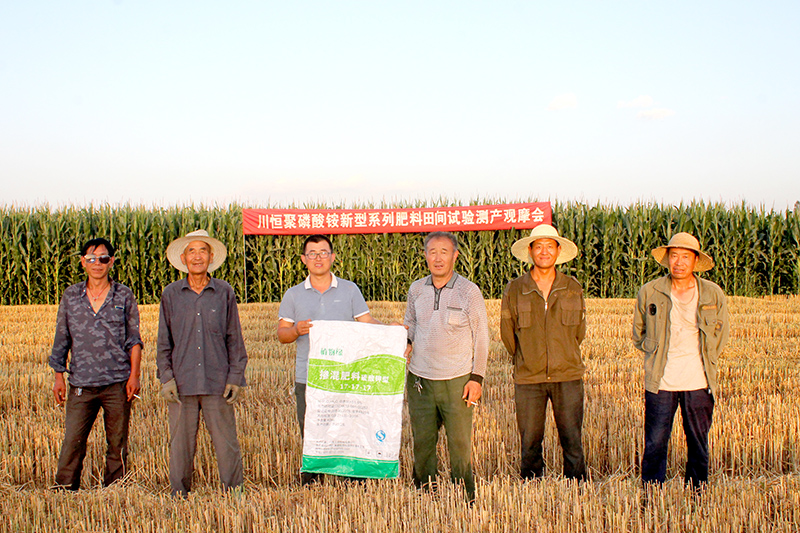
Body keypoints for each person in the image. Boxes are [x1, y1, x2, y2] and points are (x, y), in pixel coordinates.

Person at [277, 234, 387, 483]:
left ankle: (353, 480)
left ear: (333, 257)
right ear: (304, 259)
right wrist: (296, 331)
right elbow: (282, 334)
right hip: (309, 377)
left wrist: (391, 332)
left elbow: (367, 322)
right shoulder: (293, 295)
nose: (318, 258)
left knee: (349, 428)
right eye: (312, 253)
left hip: (345, 375)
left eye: (323, 252)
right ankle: (313, 484)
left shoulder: (349, 289)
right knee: (312, 432)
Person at [633, 232, 729, 489]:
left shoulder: (712, 293)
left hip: (698, 381)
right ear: (667, 259)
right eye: (674, 256)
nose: (679, 262)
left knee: (698, 441)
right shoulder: (650, 291)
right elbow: (639, 333)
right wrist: (654, 351)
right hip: (661, 381)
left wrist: (705, 359)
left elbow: (721, 334)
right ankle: (652, 494)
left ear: (695, 260)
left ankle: (698, 492)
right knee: (655, 441)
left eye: (685, 256)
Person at [157, 229, 247, 497]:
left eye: (202, 251)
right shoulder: (171, 294)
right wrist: (166, 378)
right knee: (180, 445)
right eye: (192, 251)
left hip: (216, 382)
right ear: (183, 258)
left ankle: (235, 493)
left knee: (226, 443)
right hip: (182, 383)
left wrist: (235, 377)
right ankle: (179, 494)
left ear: (210, 257)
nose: (197, 257)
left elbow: (234, 338)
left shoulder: (224, 292)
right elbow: (164, 342)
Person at [49, 237, 143, 490]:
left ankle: (114, 491)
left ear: (111, 262)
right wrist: (59, 375)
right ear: (83, 262)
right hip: (81, 383)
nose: (97, 263)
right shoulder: (71, 296)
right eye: (91, 258)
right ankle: (65, 489)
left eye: (103, 258)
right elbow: (62, 337)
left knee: (117, 442)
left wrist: (134, 377)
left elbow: (134, 339)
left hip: (117, 384)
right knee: (73, 441)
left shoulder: (124, 295)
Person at [404, 231, 489, 501]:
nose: (438, 258)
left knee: (460, 443)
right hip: (420, 379)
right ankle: (424, 493)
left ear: (455, 255)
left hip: (457, 380)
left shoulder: (469, 291)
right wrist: (406, 340)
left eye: (444, 251)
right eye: (432, 251)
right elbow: (412, 323)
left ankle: (465, 495)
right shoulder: (416, 289)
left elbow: (482, 336)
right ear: (425, 255)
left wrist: (477, 378)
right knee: (423, 441)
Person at [500, 224, 587, 481]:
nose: (544, 251)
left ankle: (577, 490)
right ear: (530, 251)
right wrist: (527, 357)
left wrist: (564, 353)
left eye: (550, 246)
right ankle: (532, 489)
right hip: (529, 378)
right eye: (539, 246)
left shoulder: (573, 287)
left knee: (572, 440)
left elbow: (579, 332)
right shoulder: (515, 289)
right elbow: (508, 334)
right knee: (529, 443)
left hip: (568, 376)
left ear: (558, 251)